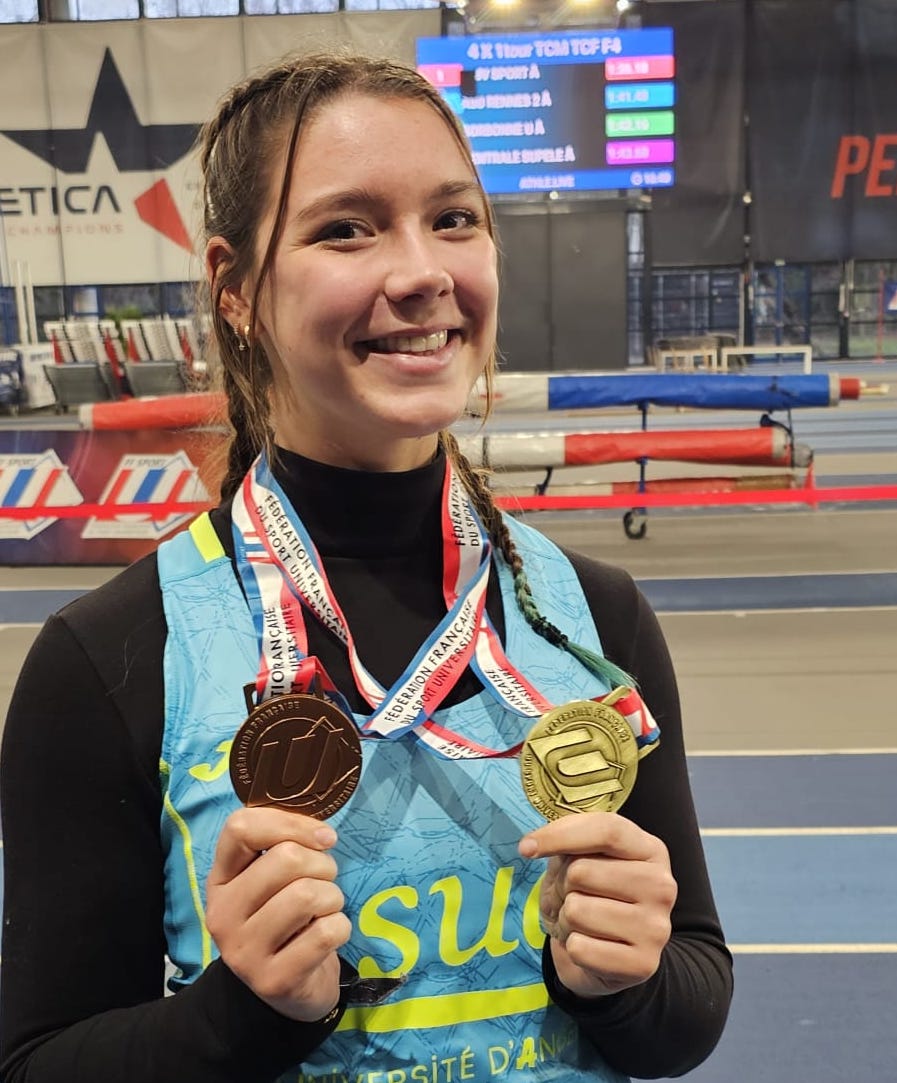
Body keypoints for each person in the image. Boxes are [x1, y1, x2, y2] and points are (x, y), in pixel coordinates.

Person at [0, 52, 732, 1083]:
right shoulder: (112, 658)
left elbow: (688, 1007)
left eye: (454, 218)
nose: (422, 271)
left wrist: (627, 984)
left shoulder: (590, 621)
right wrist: (243, 1016)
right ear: (236, 289)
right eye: (346, 228)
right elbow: (38, 1061)